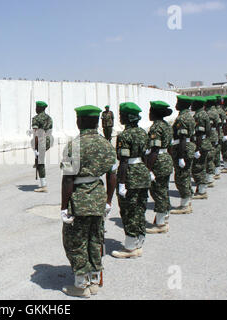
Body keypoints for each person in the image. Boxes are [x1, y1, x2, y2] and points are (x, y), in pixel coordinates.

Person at [60, 105, 116, 298]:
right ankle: (94, 280)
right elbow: (112, 175)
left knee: (76, 241)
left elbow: (68, 179)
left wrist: (63, 207)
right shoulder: (107, 144)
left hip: (80, 200)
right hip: (98, 197)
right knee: (95, 238)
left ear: (80, 121)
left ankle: (80, 284)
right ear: (97, 122)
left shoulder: (74, 146)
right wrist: (109, 200)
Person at [113, 102, 150, 259]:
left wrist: (121, 183)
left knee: (128, 211)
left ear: (127, 117)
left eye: (121, 115)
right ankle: (139, 242)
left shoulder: (125, 136)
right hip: (142, 172)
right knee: (140, 208)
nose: (120, 117)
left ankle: (130, 248)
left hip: (130, 175)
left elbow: (124, 161)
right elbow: (147, 155)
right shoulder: (143, 133)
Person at [145, 101, 173, 234]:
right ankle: (164, 215)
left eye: (150, 111)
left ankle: (160, 224)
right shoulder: (166, 125)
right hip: (166, 159)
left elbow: (155, 150)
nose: (149, 114)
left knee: (158, 192)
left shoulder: (156, 127)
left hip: (159, 161)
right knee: (163, 189)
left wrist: (149, 169)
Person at [170, 95, 195, 215]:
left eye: (178, 102)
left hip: (183, 149)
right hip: (187, 148)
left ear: (182, 104)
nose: (176, 104)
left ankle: (184, 205)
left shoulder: (182, 119)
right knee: (185, 175)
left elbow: (183, 137)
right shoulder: (188, 116)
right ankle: (187, 200)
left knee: (182, 178)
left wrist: (180, 157)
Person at [191, 97, 212, 200]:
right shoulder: (204, 114)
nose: (191, 105)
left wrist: (197, 149)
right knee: (201, 167)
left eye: (193, 103)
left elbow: (199, 133)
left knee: (197, 168)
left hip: (201, 144)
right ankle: (201, 189)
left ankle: (202, 191)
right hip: (205, 143)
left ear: (197, 104)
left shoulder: (199, 116)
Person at [32, 101, 53, 193]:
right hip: (49, 140)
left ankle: (43, 186)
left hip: (40, 141)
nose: (35, 109)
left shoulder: (36, 118)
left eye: (36, 107)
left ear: (39, 108)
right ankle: (37, 163)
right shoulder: (49, 118)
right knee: (39, 160)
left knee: (40, 163)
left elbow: (36, 133)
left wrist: (36, 147)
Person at [205, 96, 221, 187]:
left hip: (209, 136)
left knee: (209, 157)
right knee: (213, 155)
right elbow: (218, 125)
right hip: (214, 135)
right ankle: (213, 174)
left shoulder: (209, 113)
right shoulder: (216, 112)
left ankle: (210, 178)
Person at [215, 95, 226, 179]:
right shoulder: (222, 111)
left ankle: (215, 172)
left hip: (216, 134)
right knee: (217, 153)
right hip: (220, 133)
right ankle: (216, 171)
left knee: (215, 154)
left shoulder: (216, 111)